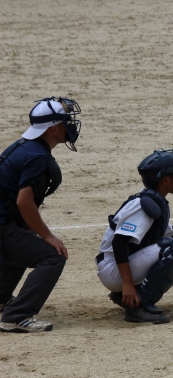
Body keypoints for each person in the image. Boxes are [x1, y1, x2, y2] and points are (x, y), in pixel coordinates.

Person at [95, 149, 173, 324]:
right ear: (165, 180)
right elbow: (119, 241)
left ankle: (127, 296)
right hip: (113, 268)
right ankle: (137, 307)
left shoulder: (155, 200)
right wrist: (127, 283)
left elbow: (170, 231)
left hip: (123, 264)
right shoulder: (144, 205)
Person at [0, 97, 81, 333]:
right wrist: (47, 235)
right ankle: (16, 316)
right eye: (66, 121)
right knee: (53, 256)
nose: (71, 125)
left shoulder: (23, 146)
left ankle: (1, 299)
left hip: (4, 222)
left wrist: (26, 227)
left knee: (24, 238)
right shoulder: (38, 156)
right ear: (53, 128)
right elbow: (24, 201)